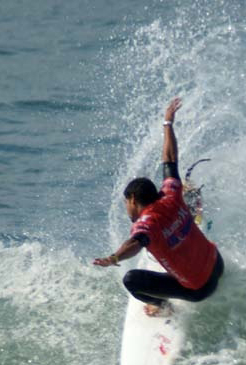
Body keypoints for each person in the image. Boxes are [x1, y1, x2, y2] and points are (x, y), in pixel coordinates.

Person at [93, 97, 224, 316]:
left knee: (132, 280)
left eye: (127, 203)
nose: (127, 208)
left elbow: (135, 243)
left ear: (133, 199)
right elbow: (170, 158)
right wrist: (168, 124)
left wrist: (115, 257)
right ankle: (188, 216)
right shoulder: (170, 193)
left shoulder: (146, 225)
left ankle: (162, 307)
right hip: (217, 265)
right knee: (184, 195)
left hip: (200, 289)